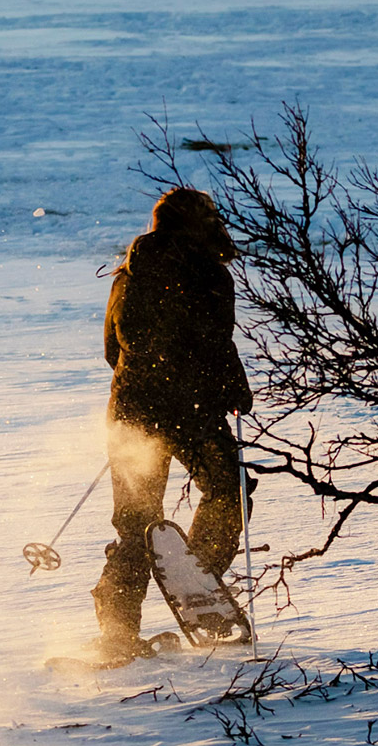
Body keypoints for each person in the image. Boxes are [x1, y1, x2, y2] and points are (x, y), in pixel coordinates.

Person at [91, 187, 254, 659]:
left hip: (132, 412)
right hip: (191, 410)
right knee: (228, 489)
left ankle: (118, 632)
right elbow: (215, 343)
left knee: (136, 521)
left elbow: (111, 350)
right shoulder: (209, 274)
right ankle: (197, 578)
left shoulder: (128, 274)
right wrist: (233, 391)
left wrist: (142, 388)